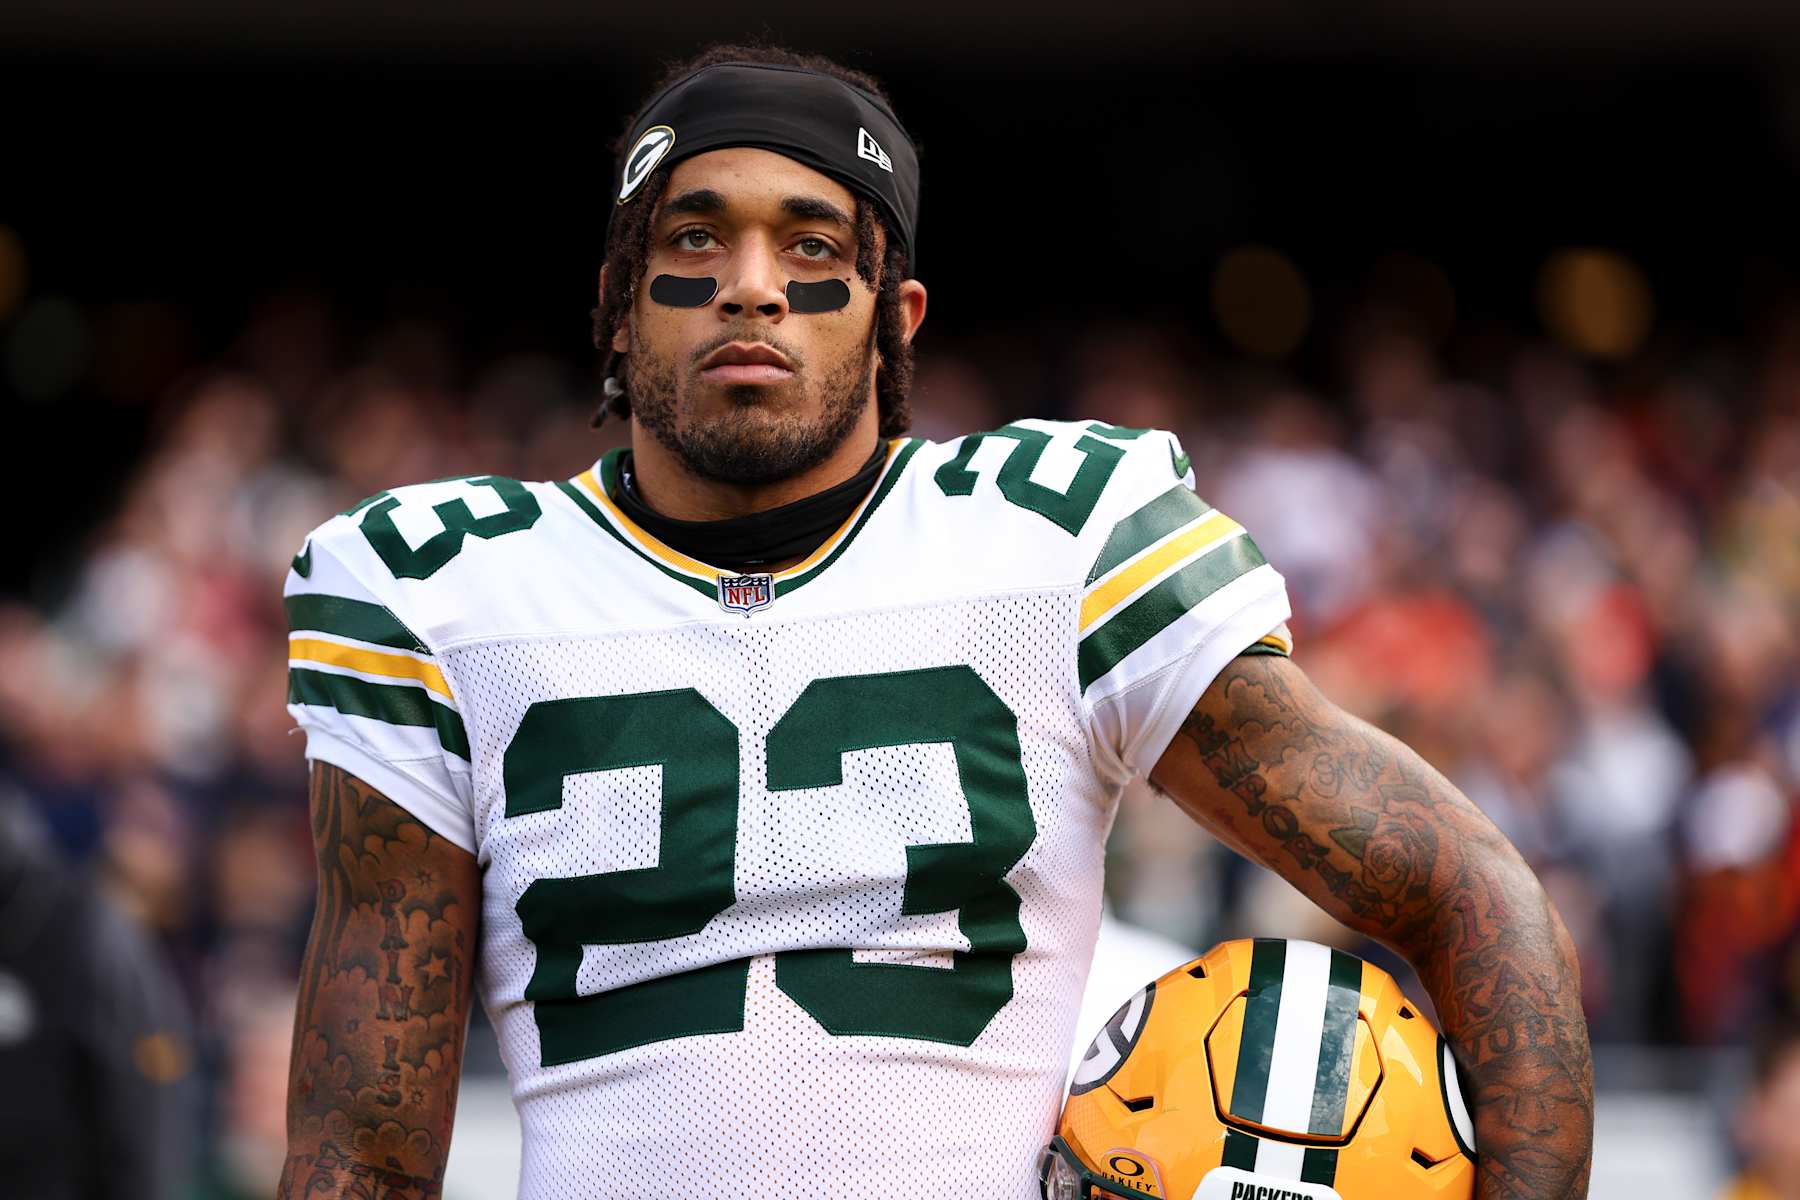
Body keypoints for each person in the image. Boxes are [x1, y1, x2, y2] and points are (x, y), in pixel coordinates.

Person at [277, 43, 1592, 1199]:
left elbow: (1467, 890)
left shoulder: (1057, 540)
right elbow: (365, 1155)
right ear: (619, 307)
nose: (751, 286)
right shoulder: (439, 589)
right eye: (693, 240)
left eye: (809, 245)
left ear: (894, 314)